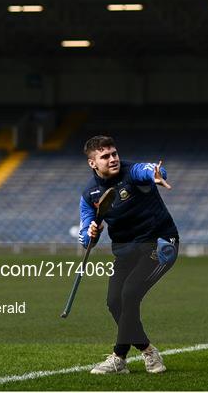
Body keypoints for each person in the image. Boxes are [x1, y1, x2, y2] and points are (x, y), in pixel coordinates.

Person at [78, 135, 179, 374]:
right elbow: (85, 238)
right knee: (114, 302)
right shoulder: (89, 195)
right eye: (105, 156)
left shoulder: (132, 172)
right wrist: (91, 232)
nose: (113, 159)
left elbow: (149, 170)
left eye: (114, 153)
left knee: (130, 293)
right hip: (126, 252)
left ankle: (118, 357)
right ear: (93, 163)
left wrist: (158, 173)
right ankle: (147, 350)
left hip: (161, 244)